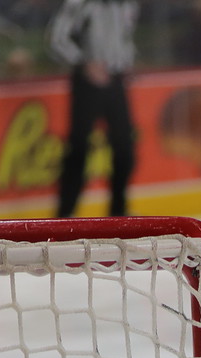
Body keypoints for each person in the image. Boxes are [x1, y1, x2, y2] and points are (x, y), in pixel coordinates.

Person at [49, 0, 138, 218]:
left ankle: (119, 211)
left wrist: (128, 61)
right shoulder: (79, 3)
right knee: (79, 147)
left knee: (124, 148)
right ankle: (65, 214)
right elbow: (57, 38)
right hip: (87, 81)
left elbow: (126, 35)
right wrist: (83, 63)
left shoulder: (126, 4)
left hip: (117, 80)